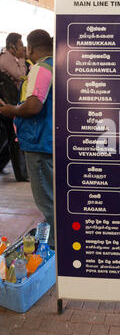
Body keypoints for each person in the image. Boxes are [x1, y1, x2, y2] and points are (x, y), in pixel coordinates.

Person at [0, 29, 54, 249]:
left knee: (46, 201)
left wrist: (10, 110)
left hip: (39, 142)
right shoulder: (56, 64)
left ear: (31, 48)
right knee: (51, 196)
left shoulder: (41, 68)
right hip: (48, 140)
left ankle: (52, 245)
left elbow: (33, 106)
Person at [0, 32, 28, 179]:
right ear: (11, 46)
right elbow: (21, 75)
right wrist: (23, 59)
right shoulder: (7, 59)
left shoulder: (9, 58)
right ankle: (21, 173)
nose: (23, 48)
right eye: (20, 45)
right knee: (14, 137)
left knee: (9, 137)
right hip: (7, 104)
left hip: (8, 103)